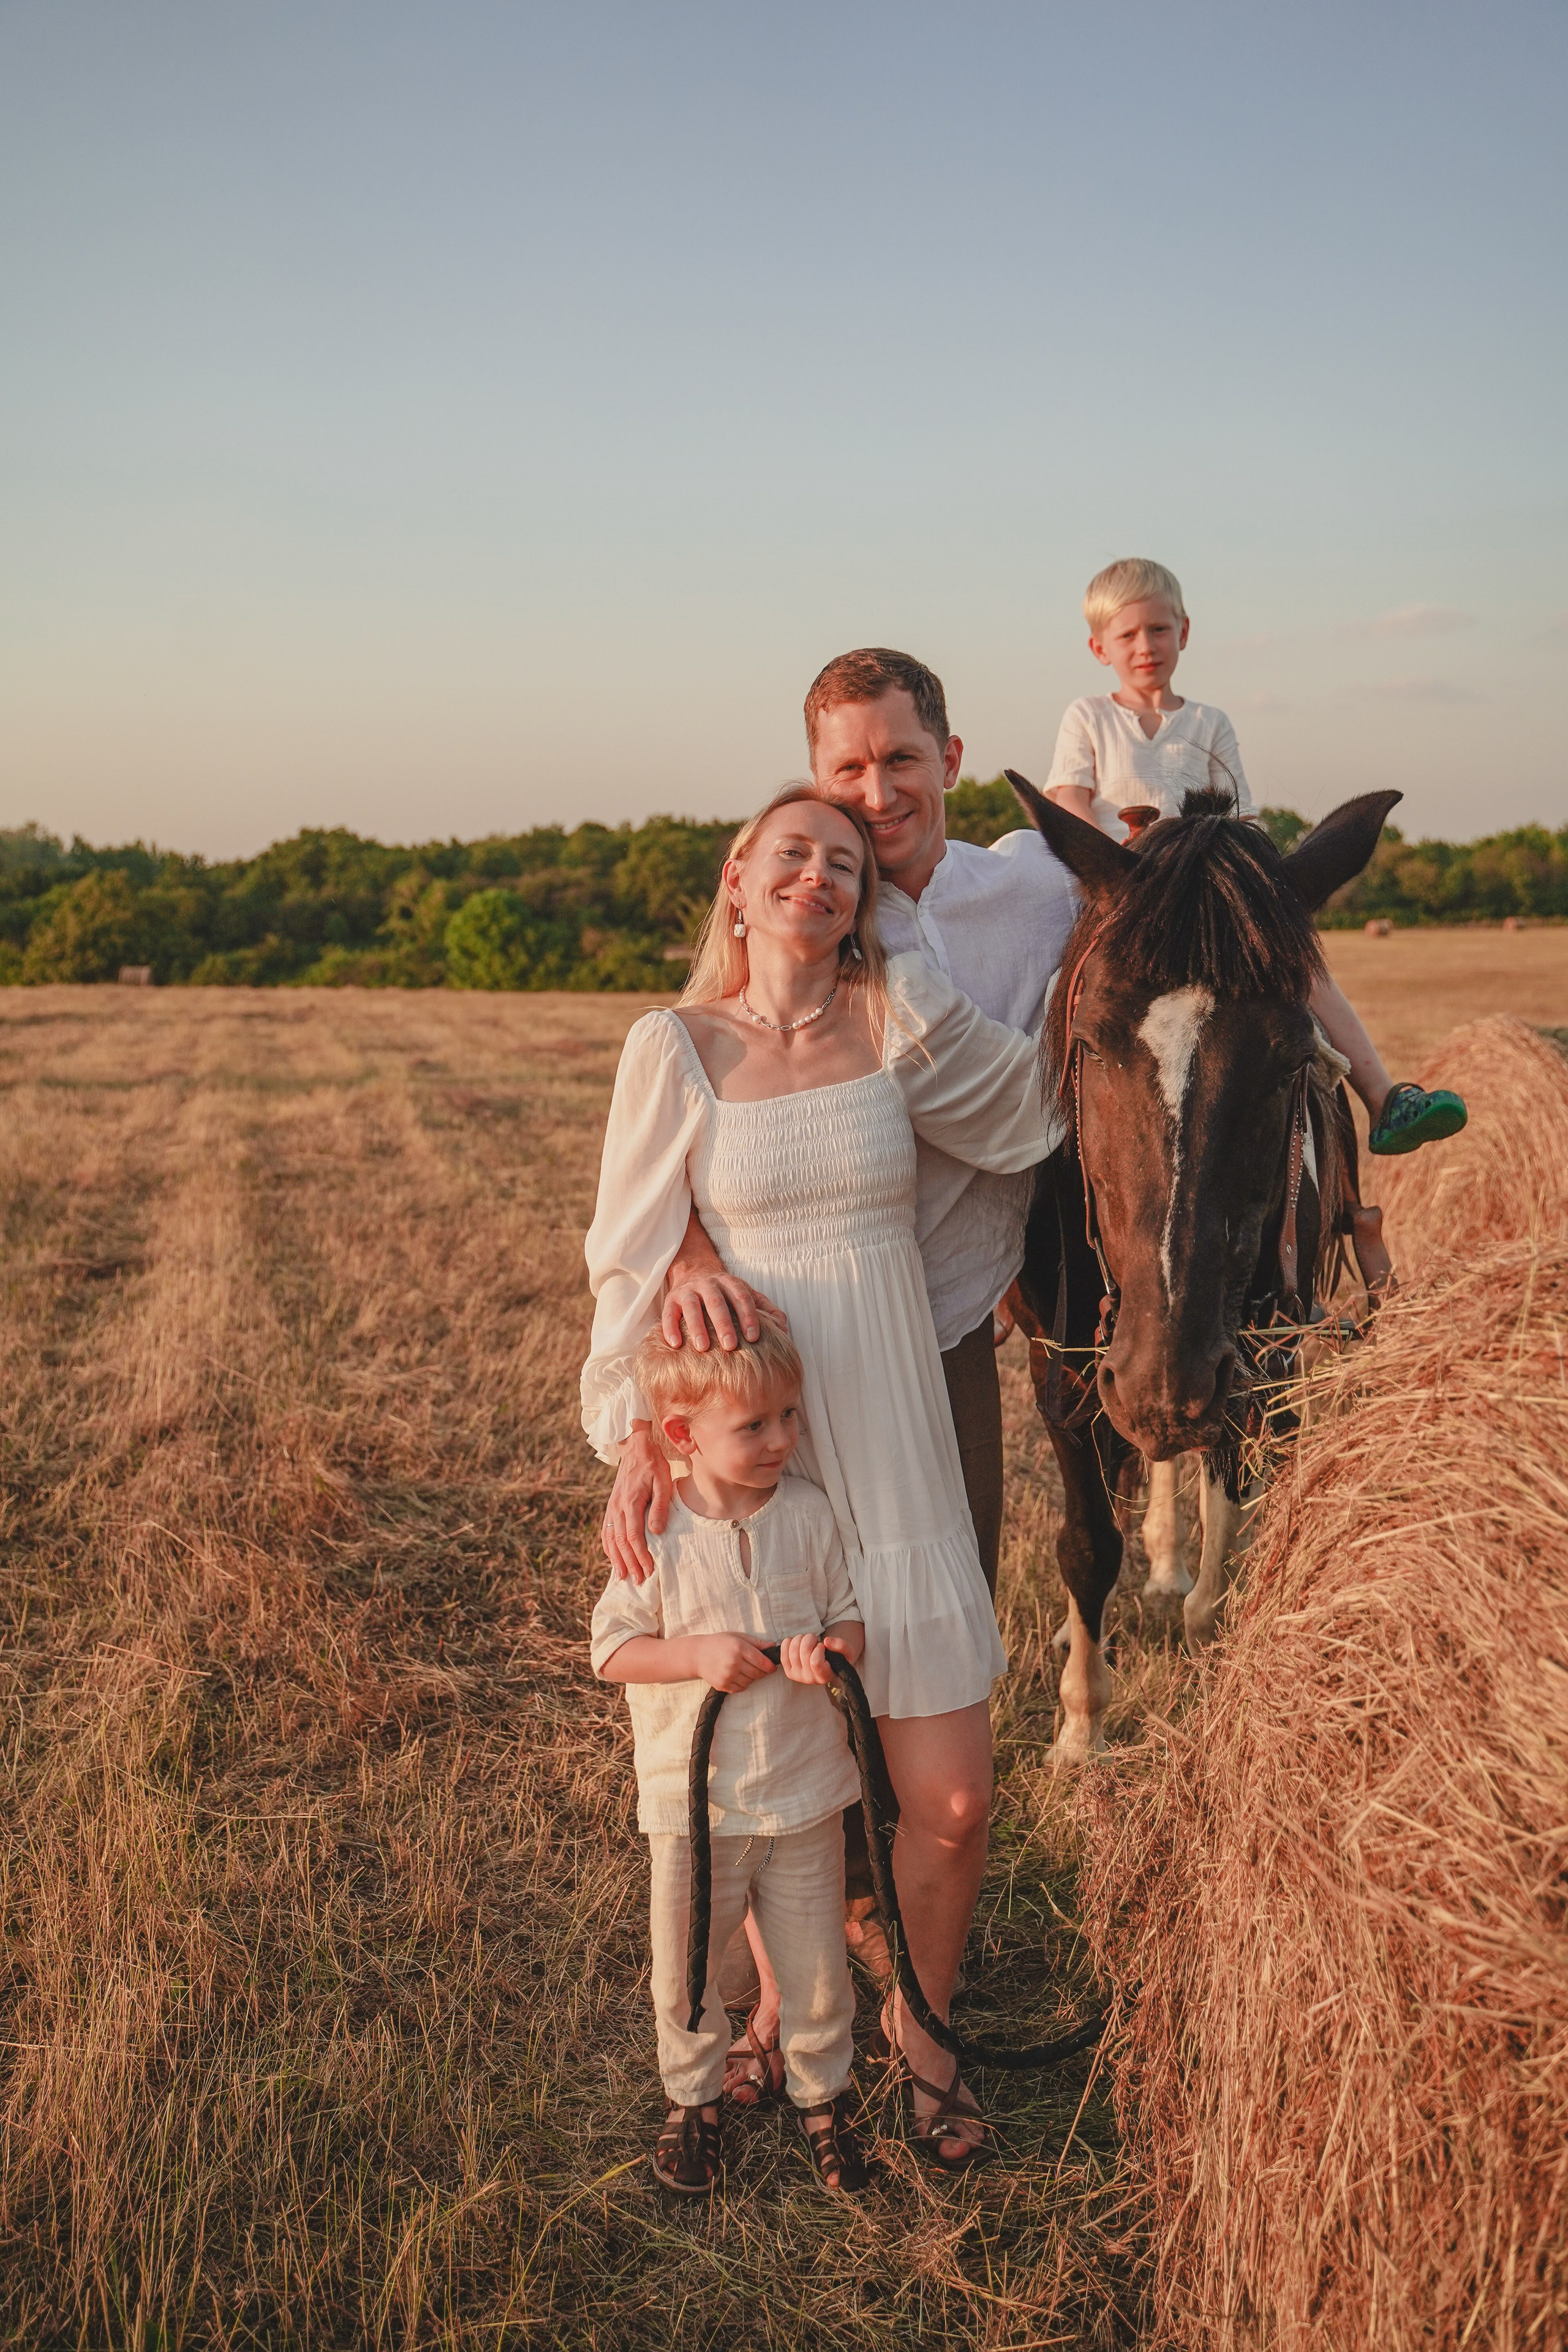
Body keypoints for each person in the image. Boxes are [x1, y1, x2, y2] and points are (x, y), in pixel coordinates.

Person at [582, 784, 1061, 2166]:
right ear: (736, 881)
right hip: (757, 1461)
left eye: (844, 864)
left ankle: (925, 2033)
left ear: (867, 902)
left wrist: (909, 951)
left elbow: (1027, 1119)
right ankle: (771, 2015)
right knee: (762, 1768)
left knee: (951, 1801)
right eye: (788, 854)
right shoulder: (673, 1047)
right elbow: (627, 1258)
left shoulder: (893, 1020)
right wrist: (640, 1434)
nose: (817, 875)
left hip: (895, 1439)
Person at [1044, 556, 1467, 1158]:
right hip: (1124, 900)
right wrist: (1120, 867)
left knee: (1297, 963)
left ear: (1184, 632)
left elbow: (1241, 816)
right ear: (1098, 647)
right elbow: (1066, 800)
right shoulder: (1089, 717)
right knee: (1058, 992)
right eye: (1128, 635)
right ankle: (1042, 1134)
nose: (1145, 646)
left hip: (1207, 897)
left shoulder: (1207, 722)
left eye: (1158, 630)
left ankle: (1383, 1098)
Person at [591, 1319, 875, 2198]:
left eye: (788, 1415)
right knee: (687, 1968)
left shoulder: (810, 1515)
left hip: (804, 1794)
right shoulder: (658, 1530)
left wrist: (830, 1653)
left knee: (816, 1968)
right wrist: (695, 1655)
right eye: (755, 1426)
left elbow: (849, 1615)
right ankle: (694, 2097)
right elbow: (612, 1649)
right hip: (696, 1808)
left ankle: (823, 2095)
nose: (783, 1438)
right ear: (681, 1435)